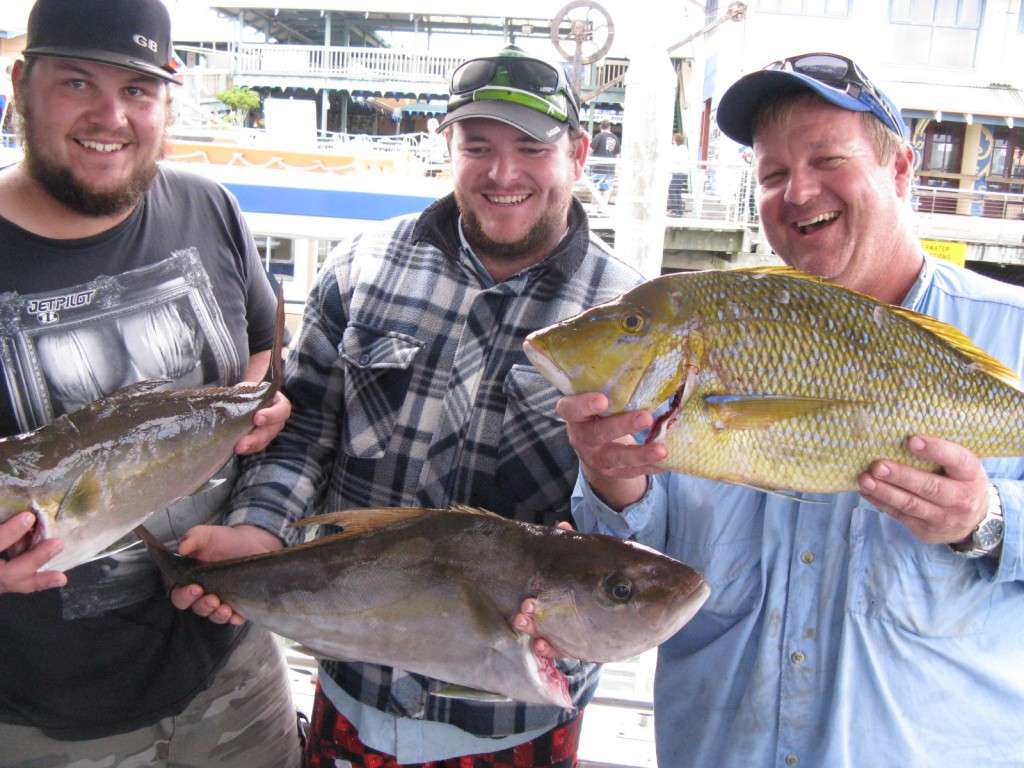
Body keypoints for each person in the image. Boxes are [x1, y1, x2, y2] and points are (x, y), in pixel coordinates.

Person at [520, 52, 1024, 766]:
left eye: (828, 159)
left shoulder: (1014, 334)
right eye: (774, 175)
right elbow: (633, 575)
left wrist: (988, 521)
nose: (799, 192)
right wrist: (612, 479)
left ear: (902, 169)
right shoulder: (707, 333)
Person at [224, 44, 643, 768]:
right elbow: (305, 430)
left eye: (530, 148)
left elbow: (646, 514)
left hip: (514, 719)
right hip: (351, 686)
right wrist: (258, 528)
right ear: (446, 146)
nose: (501, 173)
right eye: (476, 145)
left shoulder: (631, 319)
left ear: (577, 153)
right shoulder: (360, 266)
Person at [0, 1, 300, 765]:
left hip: (235, 670)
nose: (111, 115)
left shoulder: (209, 206)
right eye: (76, 81)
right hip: (42, 723)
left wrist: (262, 406)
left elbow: (262, 358)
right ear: (21, 84)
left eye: (138, 90)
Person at [589, 119, 619, 206]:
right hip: (610, 168)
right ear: (610, 127)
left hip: (598, 167)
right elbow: (617, 154)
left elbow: (590, 150)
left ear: (600, 127)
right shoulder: (615, 138)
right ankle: (603, 208)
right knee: (607, 189)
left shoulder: (599, 136)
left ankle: (594, 207)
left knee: (596, 188)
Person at [667, 132, 691, 216]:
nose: (672, 141)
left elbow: (673, 157)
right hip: (682, 173)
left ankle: (676, 211)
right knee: (677, 191)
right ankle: (678, 211)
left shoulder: (678, 150)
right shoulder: (684, 149)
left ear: (676, 141)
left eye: (673, 140)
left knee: (672, 190)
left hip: (678, 173)